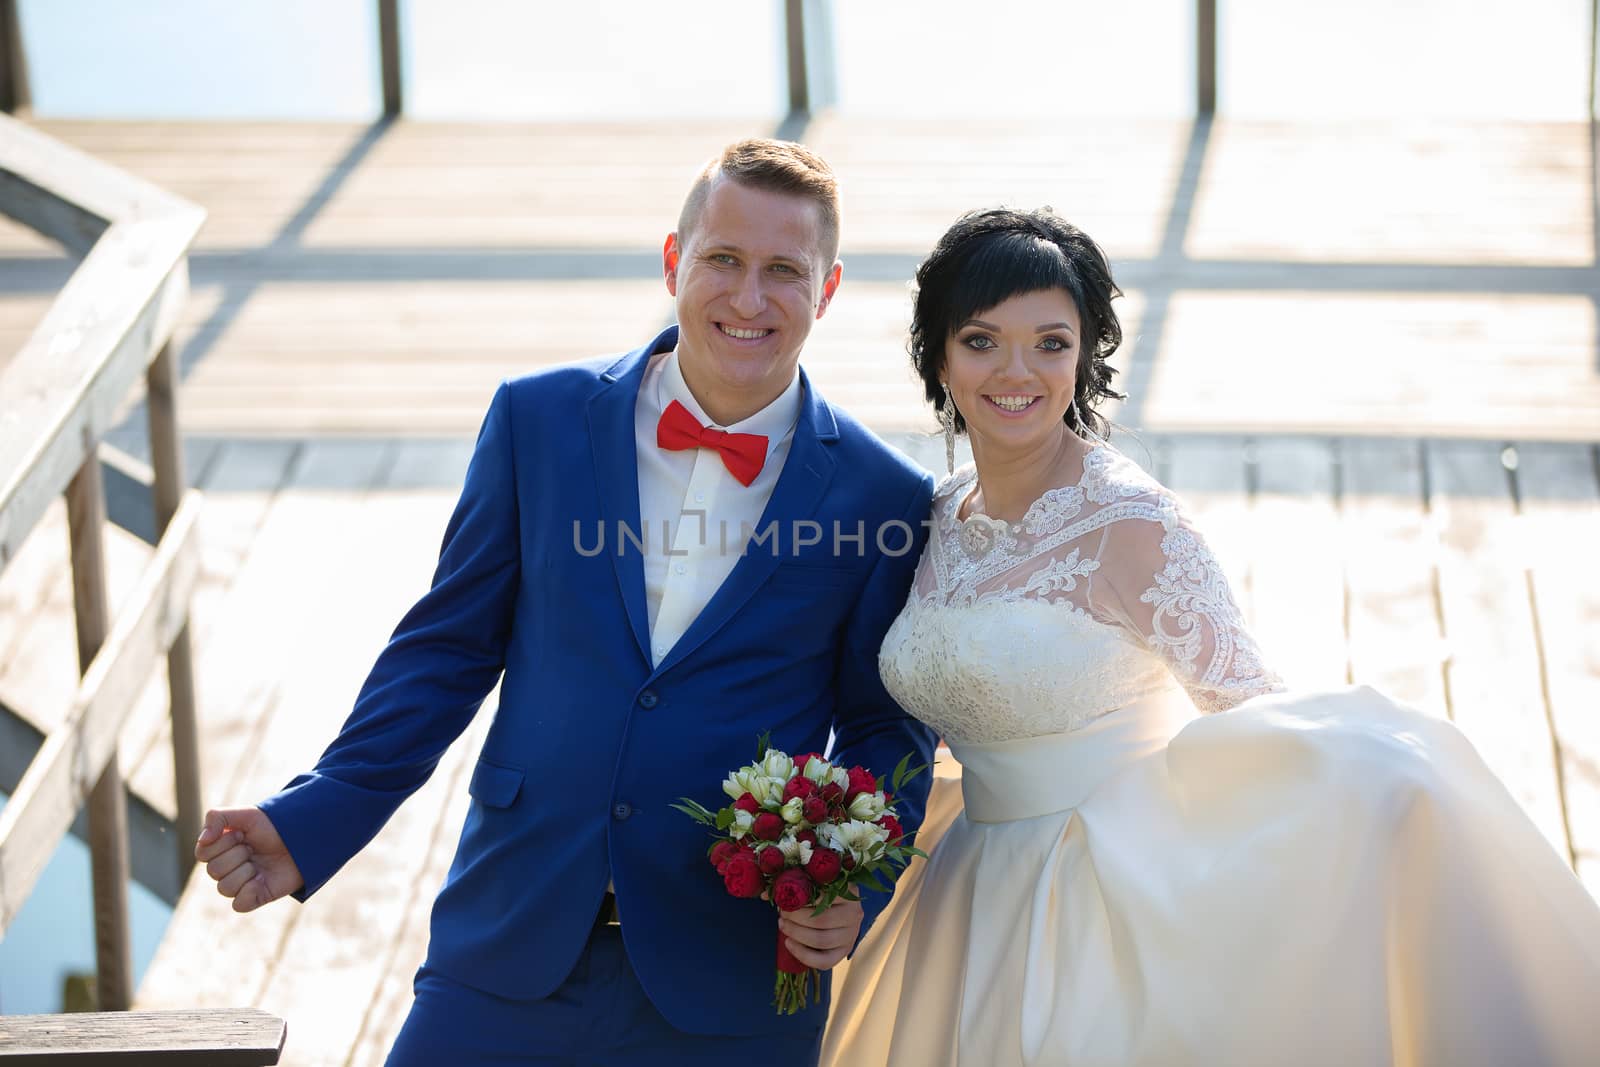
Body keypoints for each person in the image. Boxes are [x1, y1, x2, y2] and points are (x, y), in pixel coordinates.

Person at [193, 138, 937, 1066]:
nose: (749, 298)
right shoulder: (536, 420)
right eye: (723, 261)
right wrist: (317, 814)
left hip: (734, 972)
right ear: (675, 261)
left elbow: (886, 729)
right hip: (508, 936)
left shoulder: (885, 495)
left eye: (784, 271)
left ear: (826, 291)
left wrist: (857, 887)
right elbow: (445, 651)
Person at [821, 206, 1600, 1066]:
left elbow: (1251, 705)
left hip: (1102, 892)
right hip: (966, 887)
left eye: (1051, 342)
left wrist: (1385, 789)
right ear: (938, 355)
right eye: (983, 340)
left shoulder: (1133, 522)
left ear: (1084, 355)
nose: (1019, 371)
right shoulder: (935, 513)